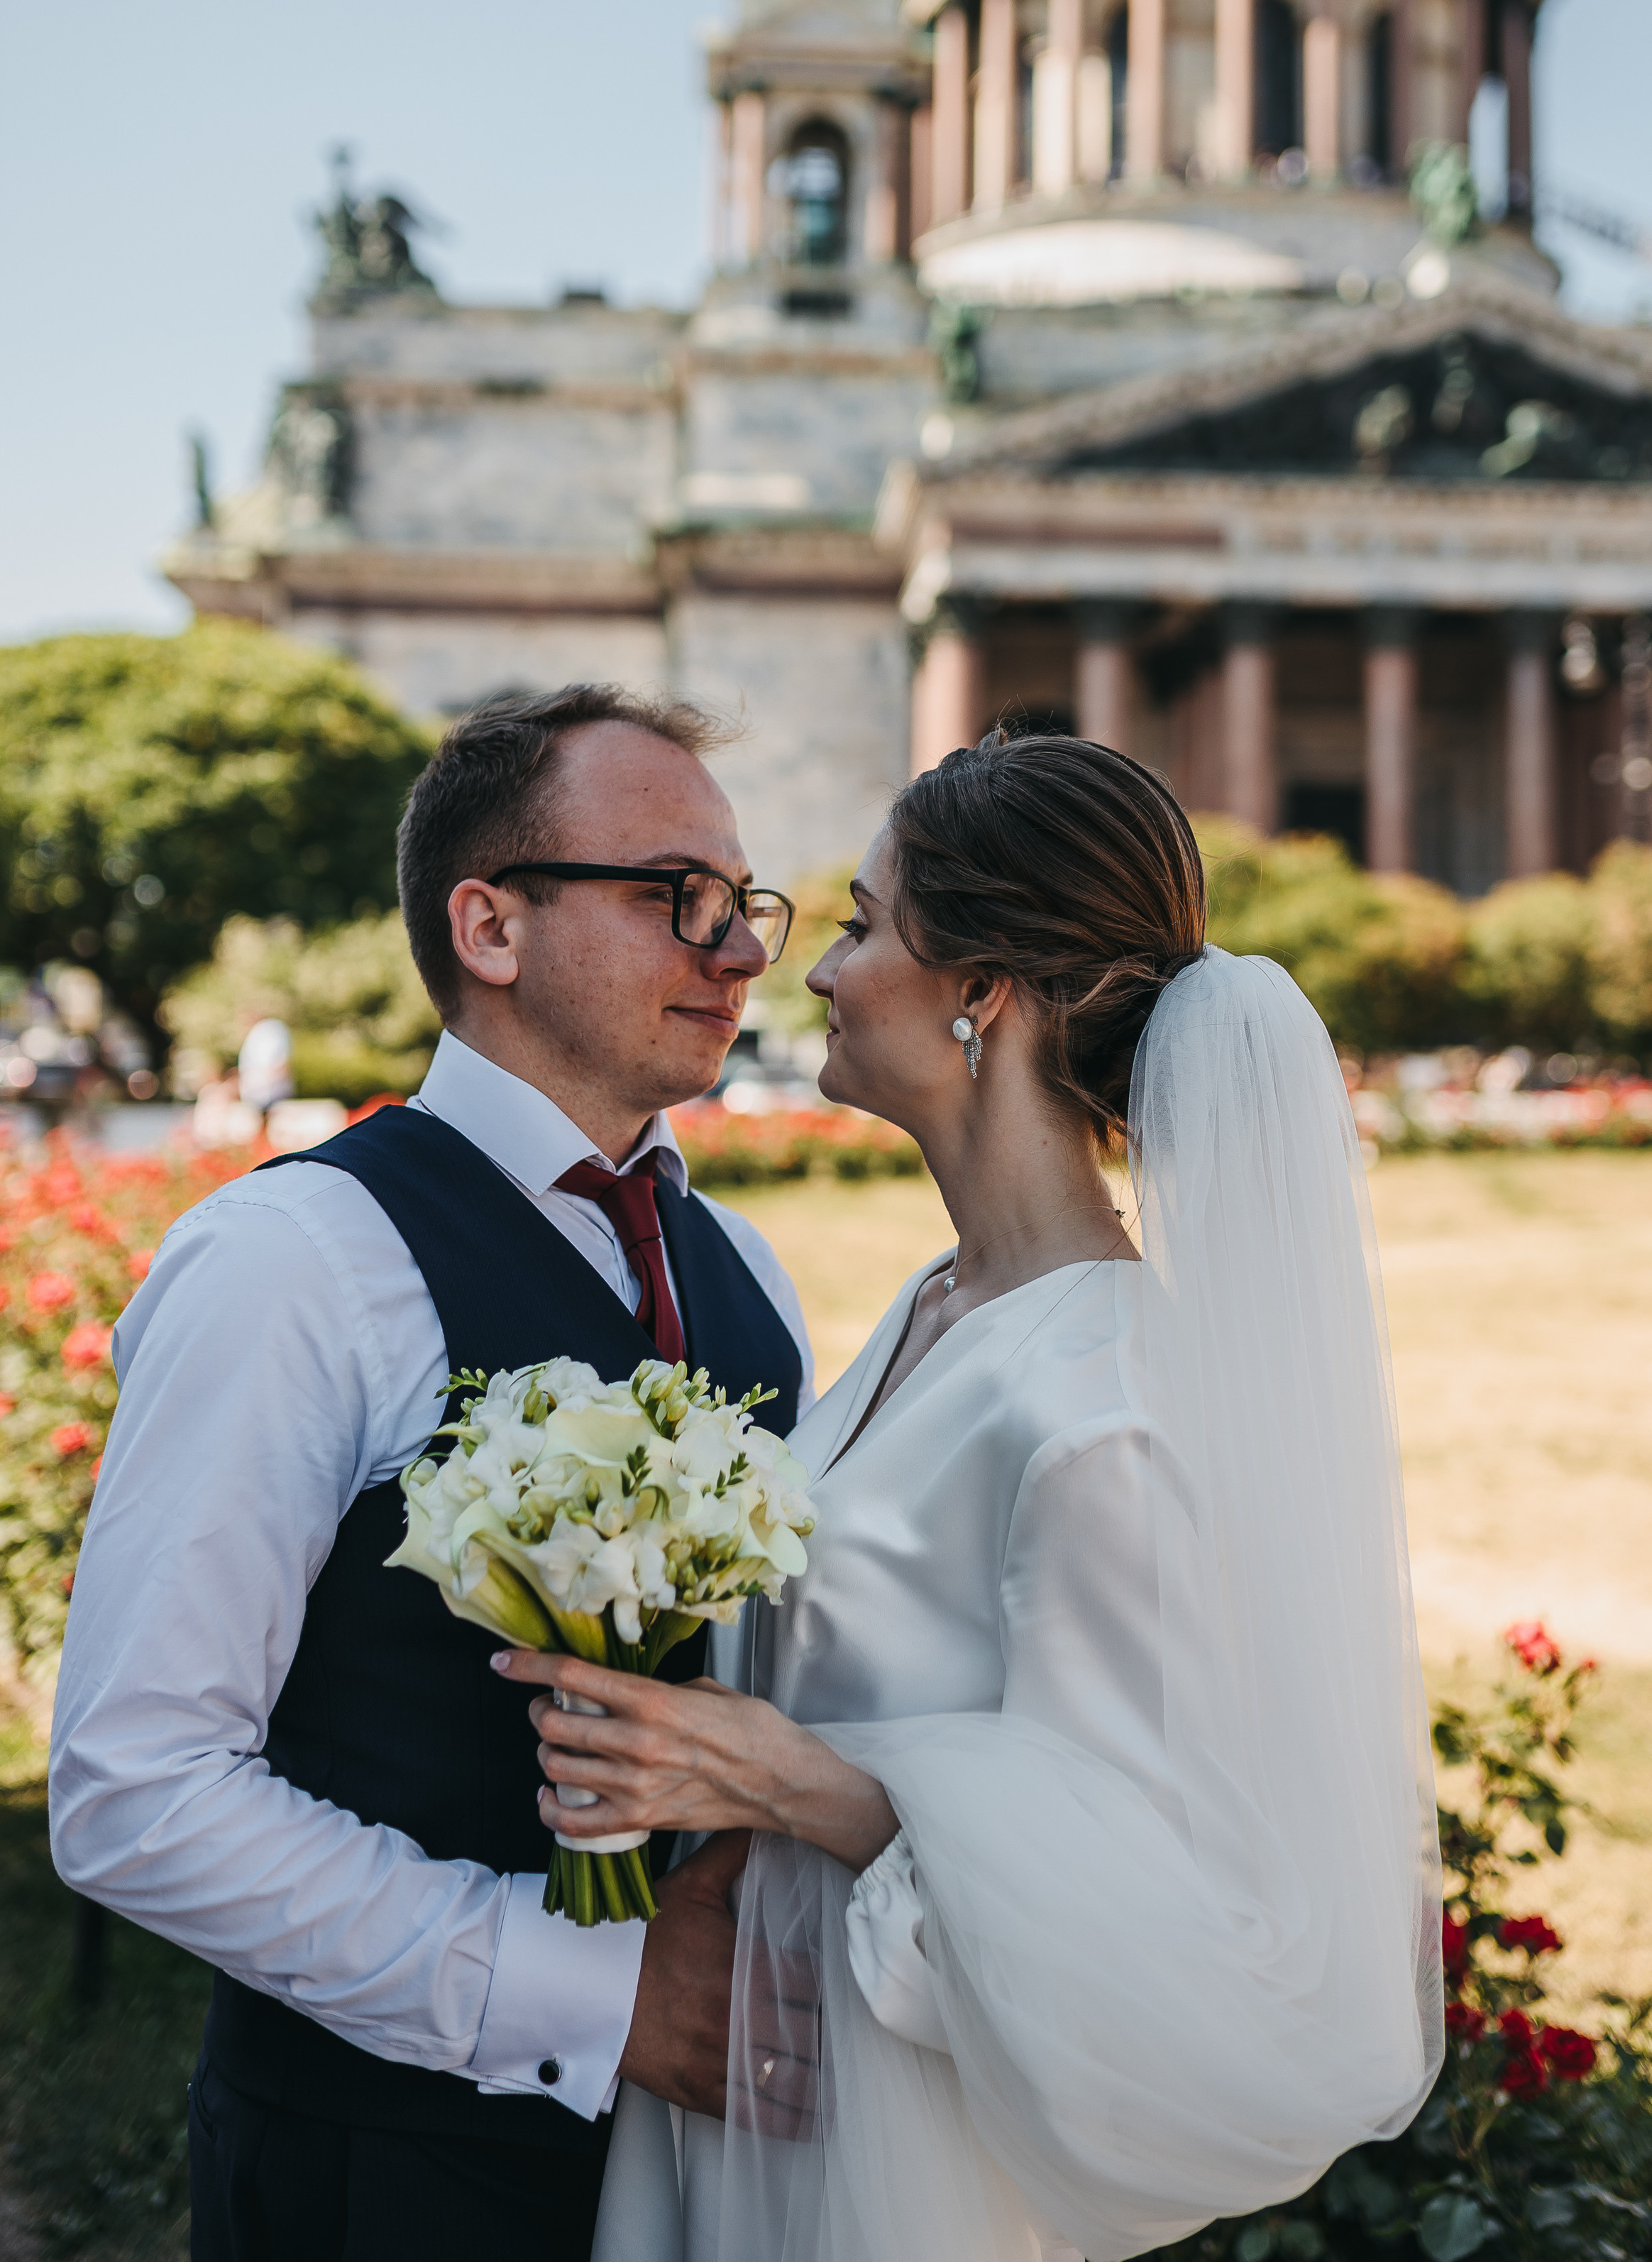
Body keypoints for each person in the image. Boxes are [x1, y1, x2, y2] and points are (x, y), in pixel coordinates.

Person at [499, 730, 1443, 2262]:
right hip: (752, 2086)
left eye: (863, 924)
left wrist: (772, 1777)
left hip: (916, 2154)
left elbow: (1160, 1908)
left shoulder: (1105, 1402)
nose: (809, 971)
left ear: (978, 994)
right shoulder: (935, 1310)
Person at [49, 683, 815, 2261]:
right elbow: (139, 1790)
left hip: (707, 2177)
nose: (738, 950)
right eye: (676, 898)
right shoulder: (293, 1261)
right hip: (383, 2177)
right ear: (489, 926)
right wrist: (592, 1994)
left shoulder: (748, 1269)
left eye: (742, 905)